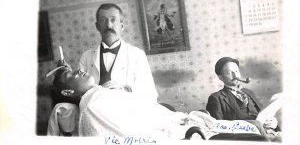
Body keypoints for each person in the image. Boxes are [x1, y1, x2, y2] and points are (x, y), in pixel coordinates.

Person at [48, 67, 269, 141]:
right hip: (172, 134)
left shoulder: (103, 94)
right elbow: (130, 134)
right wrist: (171, 130)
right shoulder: (93, 109)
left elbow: (143, 109)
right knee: (255, 135)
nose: (78, 70)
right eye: (71, 75)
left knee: (256, 128)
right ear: (68, 91)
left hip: (176, 122)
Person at [78, 3, 158, 102]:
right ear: (97, 26)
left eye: (113, 20)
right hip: (95, 112)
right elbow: (79, 91)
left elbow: (149, 93)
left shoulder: (137, 55)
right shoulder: (87, 56)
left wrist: (123, 90)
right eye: (103, 20)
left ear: (122, 25)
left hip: (127, 111)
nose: (108, 25)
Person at [206, 57, 281, 140]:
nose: (235, 75)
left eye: (237, 71)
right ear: (221, 77)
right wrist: (254, 125)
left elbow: (262, 115)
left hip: (270, 133)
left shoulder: (249, 92)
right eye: (229, 73)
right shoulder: (216, 98)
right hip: (249, 139)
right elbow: (216, 128)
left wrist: (274, 124)